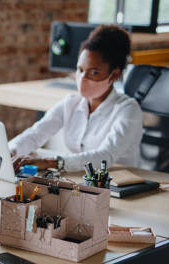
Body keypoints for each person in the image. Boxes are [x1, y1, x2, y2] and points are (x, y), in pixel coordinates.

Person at [10, 25, 143, 173]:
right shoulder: (71, 102)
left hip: (120, 183)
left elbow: (105, 156)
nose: (83, 78)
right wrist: (11, 150)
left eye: (94, 72)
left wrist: (52, 162)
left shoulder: (128, 109)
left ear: (115, 75)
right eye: (80, 70)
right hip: (83, 179)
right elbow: (36, 133)